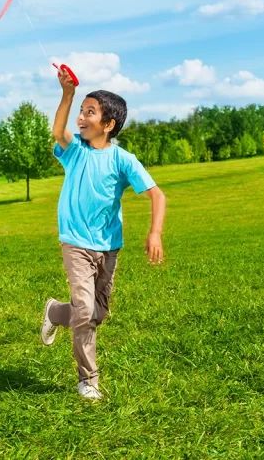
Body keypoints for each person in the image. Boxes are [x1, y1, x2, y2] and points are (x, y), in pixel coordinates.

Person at [40, 66, 167, 401]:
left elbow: (157, 195)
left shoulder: (123, 160)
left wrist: (154, 234)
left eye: (89, 112)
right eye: (81, 111)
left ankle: (54, 312)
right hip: (75, 243)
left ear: (108, 124)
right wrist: (67, 94)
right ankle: (88, 379)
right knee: (84, 311)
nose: (81, 118)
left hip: (108, 246)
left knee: (97, 313)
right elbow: (57, 131)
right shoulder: (75, 151)